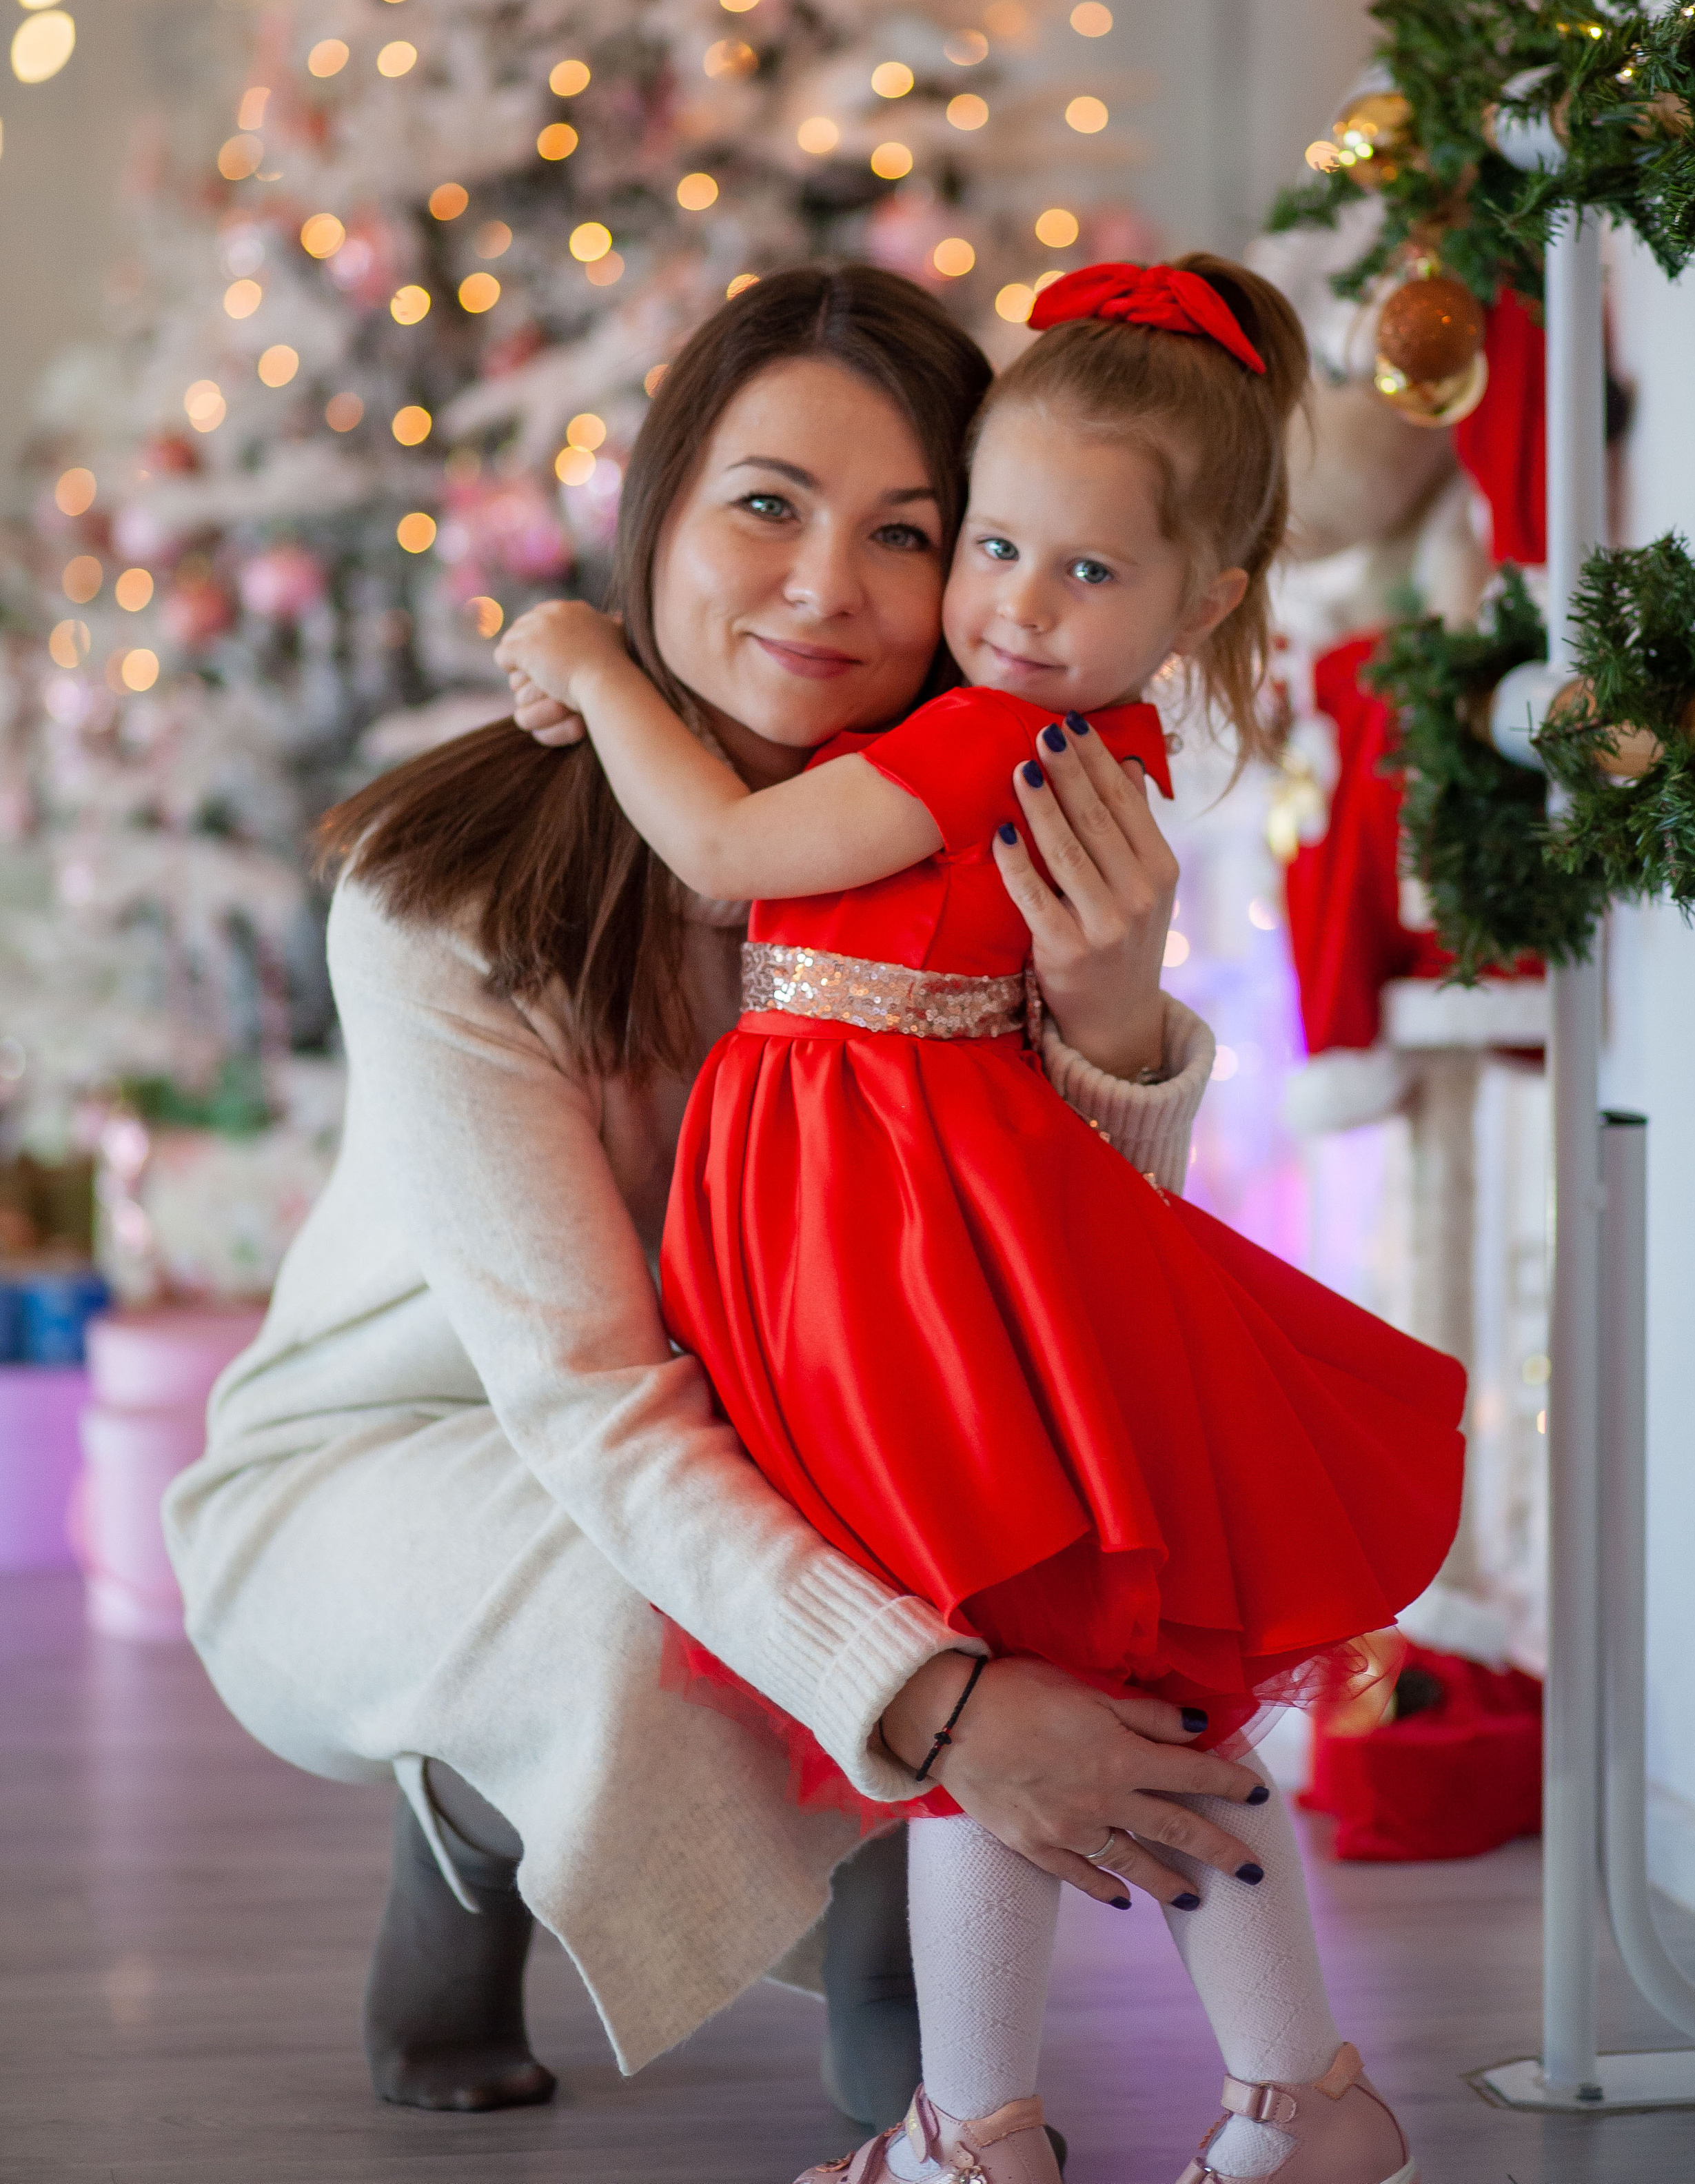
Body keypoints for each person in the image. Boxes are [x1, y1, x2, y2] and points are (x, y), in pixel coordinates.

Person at [163, 265, 1268, 2136]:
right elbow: (589, 1403)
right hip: (405, 1460)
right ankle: (482, 1828)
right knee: (641, 1620)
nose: (826, 587)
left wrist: (1107, 1023)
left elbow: (1064, 1292)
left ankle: (908, 1945)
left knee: (998, 1489)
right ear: (658, 511)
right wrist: (942, 1706)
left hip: (791, 1436)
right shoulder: (444, 892)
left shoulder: (993, 836)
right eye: (767, 504)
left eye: (905, 532)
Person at [495, 257, 1465, 2184]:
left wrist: (595, 667)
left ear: (1201, 602)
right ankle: (1233, 2104)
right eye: (995, 548)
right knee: (1097, 1689)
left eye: (1079, 570)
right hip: (943, 1244)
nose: (1014, 606)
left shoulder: (974, 737)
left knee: (1049, 1687)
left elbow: (725, 850)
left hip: (916, 1268)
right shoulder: (1053, 731)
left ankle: (1019, 2125)